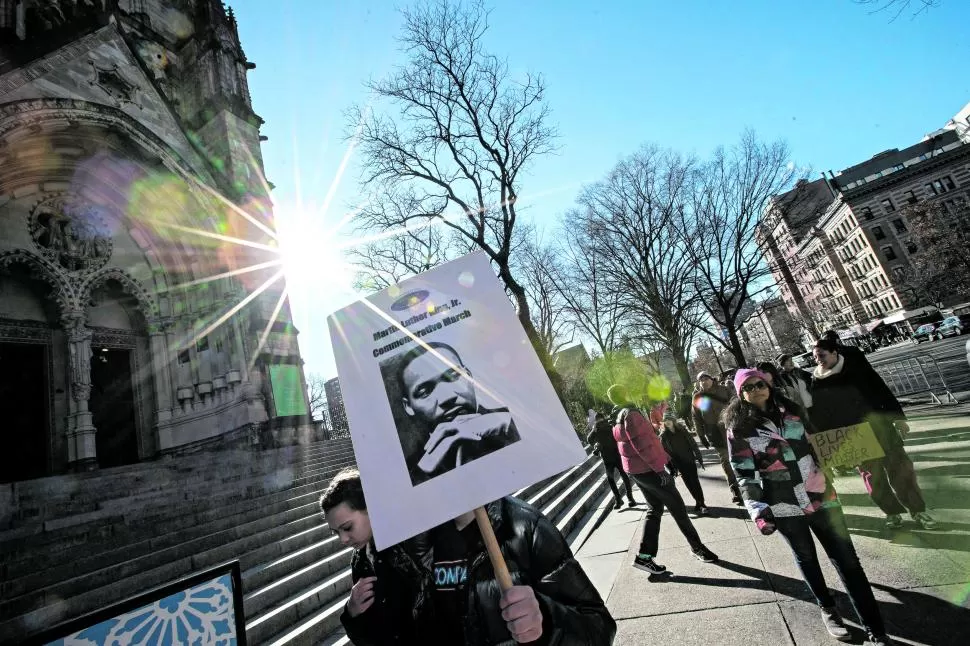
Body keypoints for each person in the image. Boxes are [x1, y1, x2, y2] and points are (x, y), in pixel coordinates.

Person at [320, 467, 617, 646]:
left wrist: (547, 619)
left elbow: (598, 628)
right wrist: (355, 618)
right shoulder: (399, 553)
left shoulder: (520, 526)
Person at [724, 369, 893, 646]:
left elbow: (816, 444)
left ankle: (876, 629)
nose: (756, 389)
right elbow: (744, 472)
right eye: (748, 387)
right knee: (807, 559)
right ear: (740, 394)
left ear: (768, 385)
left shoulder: (792, 412)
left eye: (760, 384)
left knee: (848, 560)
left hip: (820, 494)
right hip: (784, 504)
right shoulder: (739, 429)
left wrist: (840, 456)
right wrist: (759, 510)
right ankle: (828, 608)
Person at [810, 339, 937, 530]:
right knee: (873, 477)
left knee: (901, 471)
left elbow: (881, 391)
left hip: (881, 428)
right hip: (856, 437)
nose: (818, 360)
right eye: (815, 357)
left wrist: (899, 418)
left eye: (822, 355)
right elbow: (822, 415)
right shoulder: (817, 381)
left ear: (835, 352)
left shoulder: (857, 368)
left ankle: (918, 510)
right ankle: (892, 513)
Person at [609, 384, 719, 575]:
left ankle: (645, 556)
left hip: (637, 471)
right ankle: (697, 548)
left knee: (655, 509)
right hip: (649, 471)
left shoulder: (618, 416)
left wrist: (665, 459)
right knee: (678, 509)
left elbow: (642, 442)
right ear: (626, 393)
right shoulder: (632, 414)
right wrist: (660, 469)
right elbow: (642, 445)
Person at [396, 342, 521, 484]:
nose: (447, 397)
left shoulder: (515, 422)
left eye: (453, 377)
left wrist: (509, 425)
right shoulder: (411, 472)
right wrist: (422, 476)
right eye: (425, 391)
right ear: (408, 406)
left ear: (469, 376)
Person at [691, 371, 742, 505]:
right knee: (725, 460)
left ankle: (748, 483)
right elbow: (696, 417)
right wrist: (701, 435)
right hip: (714, 432)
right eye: (701, 380)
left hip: (731, 427)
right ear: (698, 383)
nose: (704, 381)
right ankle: (735, 488)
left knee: (740, 456)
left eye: (706, 378)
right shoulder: (698, 397)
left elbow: (738, 405)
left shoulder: (724, 390)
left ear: (712, 379)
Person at [659, 408, 709, 515]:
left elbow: (693, 444)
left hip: (689, 459)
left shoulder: (682, 430)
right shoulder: (663, 436)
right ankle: (697, 501)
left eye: (669, 419)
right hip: (678, 463)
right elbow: (665, 454)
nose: (667, 422)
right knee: (688, 484)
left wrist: (699, 457)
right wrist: (671, 467)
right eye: (665, 420)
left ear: (673, 420)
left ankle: (702, 503)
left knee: (695, 482)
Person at [587, 409, 637, 509]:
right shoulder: (610, 425)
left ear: (596, 420)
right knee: (623, 476)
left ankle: (619, 499)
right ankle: (629, 498)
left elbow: (589, 439)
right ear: (603, 418)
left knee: (612, 479)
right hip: (616, 455)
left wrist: (595, 444)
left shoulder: (596, 428)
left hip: (608, 458)